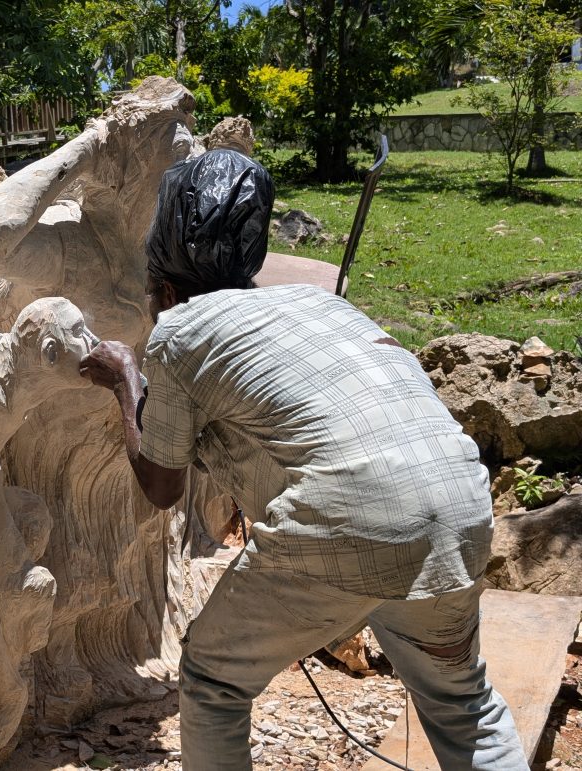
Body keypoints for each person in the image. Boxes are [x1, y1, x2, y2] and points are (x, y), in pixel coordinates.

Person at [78, 148, 528, 770]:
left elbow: (160, 485)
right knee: (464, 705)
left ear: (168, 286)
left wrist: (127, 378)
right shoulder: (325, 305)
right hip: (461, 508)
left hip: (351, 519)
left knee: (214, 680)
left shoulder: (181, 331)